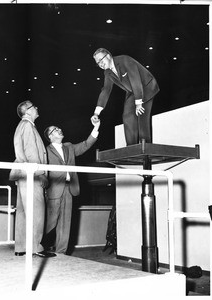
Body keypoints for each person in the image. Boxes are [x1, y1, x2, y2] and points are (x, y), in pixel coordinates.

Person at [42, 119, 100, 254]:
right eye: (55, 129)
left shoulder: (69, 147)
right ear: (50, 136)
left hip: (69, 189)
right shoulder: (45, 151)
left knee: (65, 223)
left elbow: (86, 145)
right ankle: (36, 245)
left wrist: (96, 128)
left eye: (59, 128)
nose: (59, 130)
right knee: (49, 223)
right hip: (54, 190)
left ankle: (61, 252)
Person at [9, 100, 55, 258]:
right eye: (33, 106)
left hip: (22, 174)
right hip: (32, 174)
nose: (37, 107)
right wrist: (40, 172)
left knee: (23, 211)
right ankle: (36, 247)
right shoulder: (28, 126)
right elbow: (31, 153)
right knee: (36, 210)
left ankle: (21, 246)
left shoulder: (21, 126)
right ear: (27, 112)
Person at [91, 48, 160, 146]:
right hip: (132, 91)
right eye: (98, 63)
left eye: (101, 60)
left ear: (108, 56)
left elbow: (135, 78)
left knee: (142, 116)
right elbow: (106, 90)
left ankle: (146, 147)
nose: (100, 64)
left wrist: (139, 103)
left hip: (146, 86)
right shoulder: (107, 73)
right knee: (127, 116)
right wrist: (96, 113)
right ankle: (131, 147)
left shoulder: (124, 60)